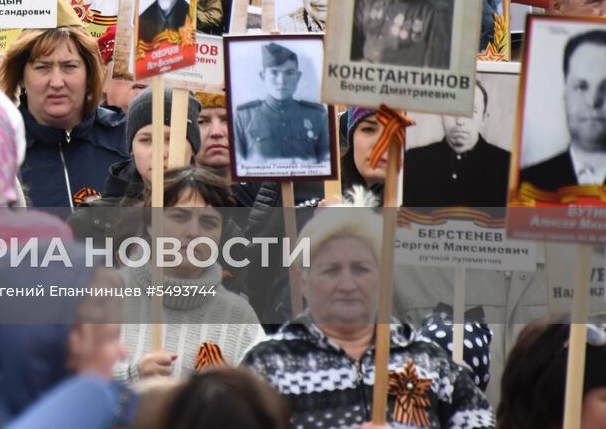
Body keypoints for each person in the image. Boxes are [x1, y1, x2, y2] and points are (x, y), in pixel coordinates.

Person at [242, 207, 493, 428]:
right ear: (302, 282)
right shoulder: (266, 365)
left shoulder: (430, 361)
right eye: (331, 270)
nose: (348, 284)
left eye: (362, 268)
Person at [116, 168, 265, 379]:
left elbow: (261, 403)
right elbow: (69, 390)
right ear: (150, 224)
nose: (194, 232)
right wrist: (131, 376)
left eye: (208, 222)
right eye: (179, 217)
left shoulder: (239, 318)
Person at [0, 27, 128, 208]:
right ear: (20, 76)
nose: (57, 82)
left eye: (69, 67)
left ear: (89, 74)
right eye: (42, 68)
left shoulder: (129, 139)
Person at [518, 29, 606, 192]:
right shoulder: (525, 184)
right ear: (565, 94)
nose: (593, 101)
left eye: (605, 87)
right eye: (581, 86)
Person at [403, 79, 513, 206]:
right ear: (441, 116)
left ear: (483, 119)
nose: (460, 120)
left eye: (471, 111)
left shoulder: (506, 165)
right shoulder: (413, 161)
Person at [232, 42, 329, 167]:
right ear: (263, 76)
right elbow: (237, 164)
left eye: (289, 73)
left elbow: (327, 162)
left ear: (298, 77)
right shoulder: (243, 116)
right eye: (274, 73)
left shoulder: (317, 115)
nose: (281, 81)